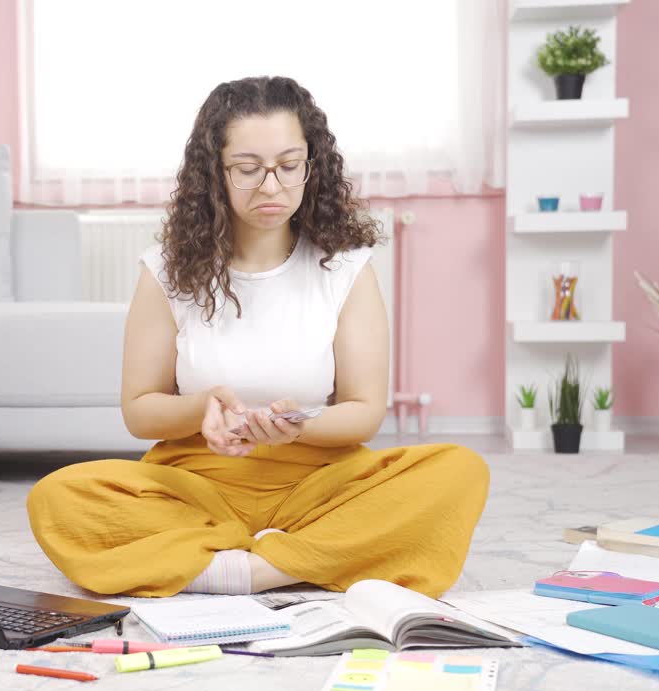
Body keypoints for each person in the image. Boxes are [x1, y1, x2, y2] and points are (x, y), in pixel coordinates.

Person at [27, 76, 488, 599]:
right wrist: (201, 408)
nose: (271, 187)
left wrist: (298, 428)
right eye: (248, 170)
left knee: (457, 471)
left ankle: (244, 568)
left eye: (289, 166)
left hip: (319, 484)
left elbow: (363, 410)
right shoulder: (165, 271)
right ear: (214, 174)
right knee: (58, 497)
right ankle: (306, 557)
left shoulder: (348, 268)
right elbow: (139, 411)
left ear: (311, 167)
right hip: (197, 484)